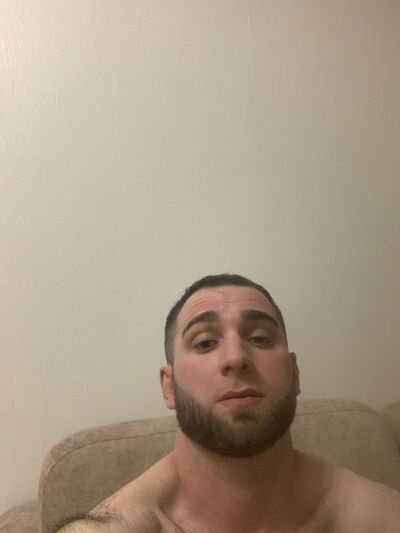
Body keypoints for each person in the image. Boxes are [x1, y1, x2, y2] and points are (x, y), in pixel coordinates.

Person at [57, 274, 400, 532]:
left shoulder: (378, 517)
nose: (236, 357)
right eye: (205, 343)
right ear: (169, 387)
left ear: (295, 373)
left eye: (260, 338)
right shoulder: (121, 524)